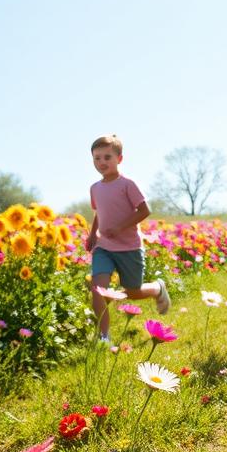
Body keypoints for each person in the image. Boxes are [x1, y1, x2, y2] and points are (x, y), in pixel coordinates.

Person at [85, 134, 169, 343]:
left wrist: (120, 227)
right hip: (104, 247)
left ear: (119, 159)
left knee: (132, 291)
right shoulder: (95, 188)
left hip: (129, 247)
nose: (102, 162)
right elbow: (99, 213)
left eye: (107, 157)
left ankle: (157, 288)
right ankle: (104, 337)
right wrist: (92, 233)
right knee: (98, 290)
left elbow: (144, 210)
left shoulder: (127, 184)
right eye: (97, 158)